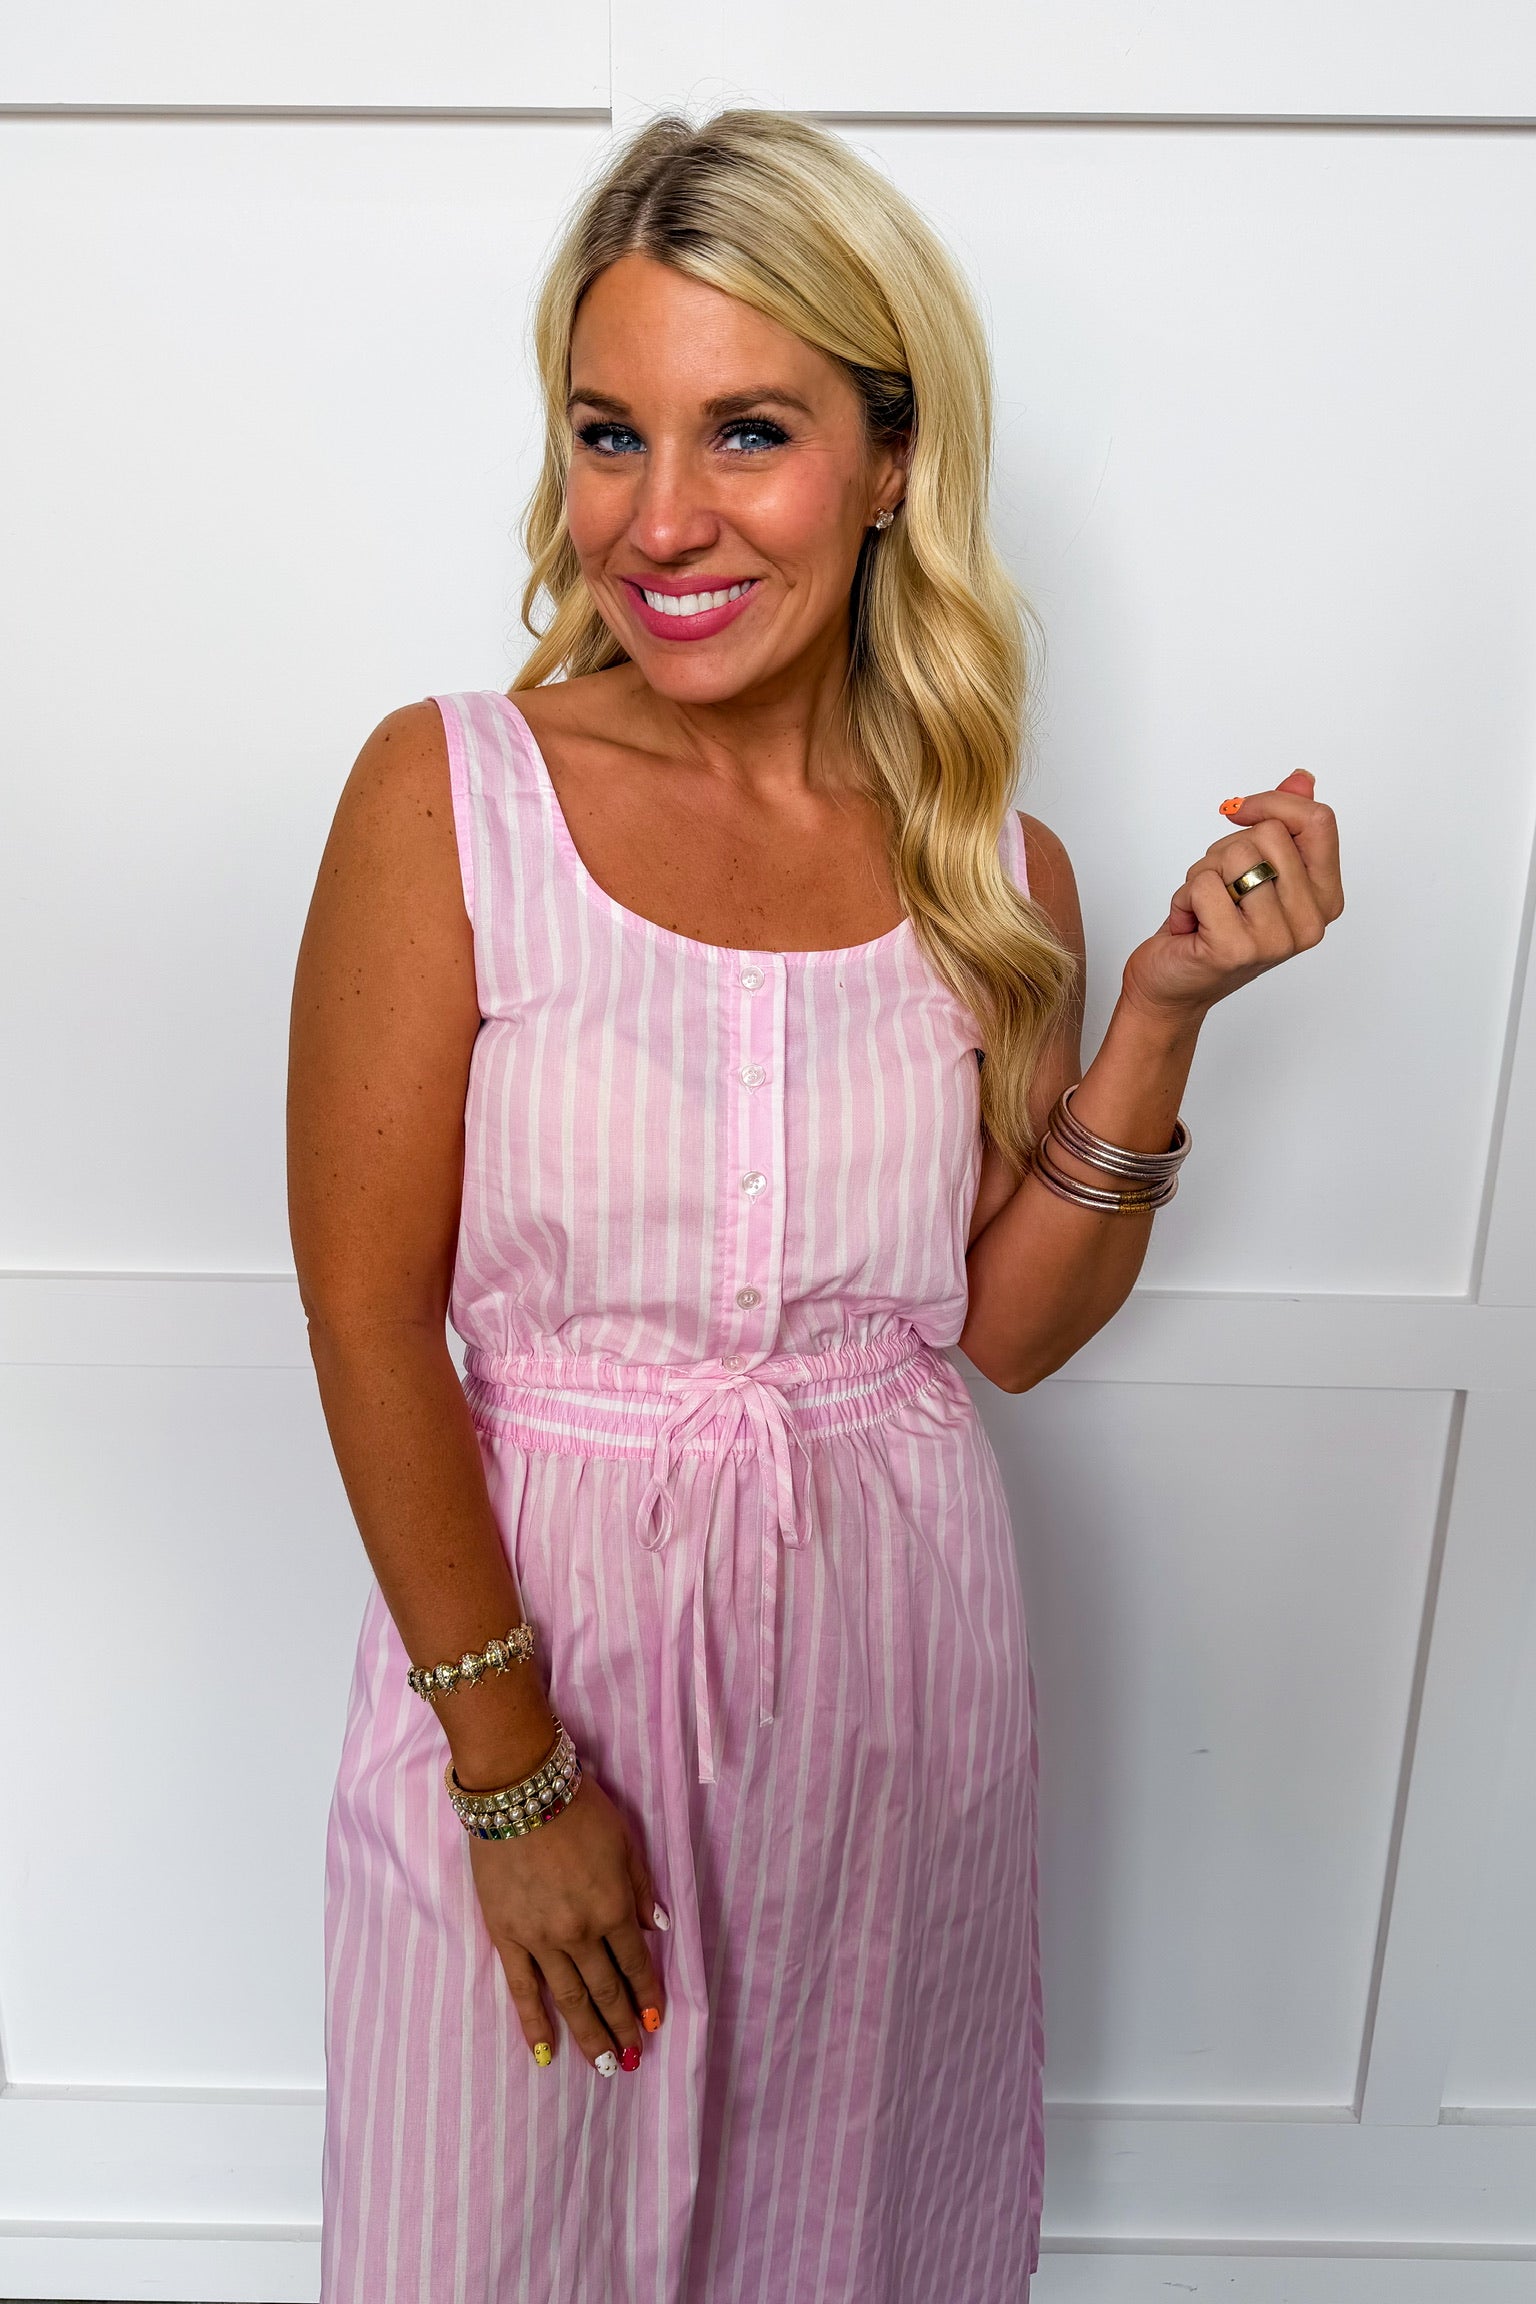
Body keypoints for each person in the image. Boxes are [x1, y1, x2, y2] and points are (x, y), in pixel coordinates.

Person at [286, 107, 1343, 2304]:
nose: (657, 518)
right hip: (546, 1661)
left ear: (890, 460)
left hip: (898, 1678)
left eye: (746, 432)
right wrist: (510, 1778)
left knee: (848, 2240)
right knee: (493, 2239)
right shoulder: (448, 793)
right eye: (609, 433)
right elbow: (369, 1315)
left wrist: (1160, 1012)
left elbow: (1009, 1329)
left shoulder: (992, 865)